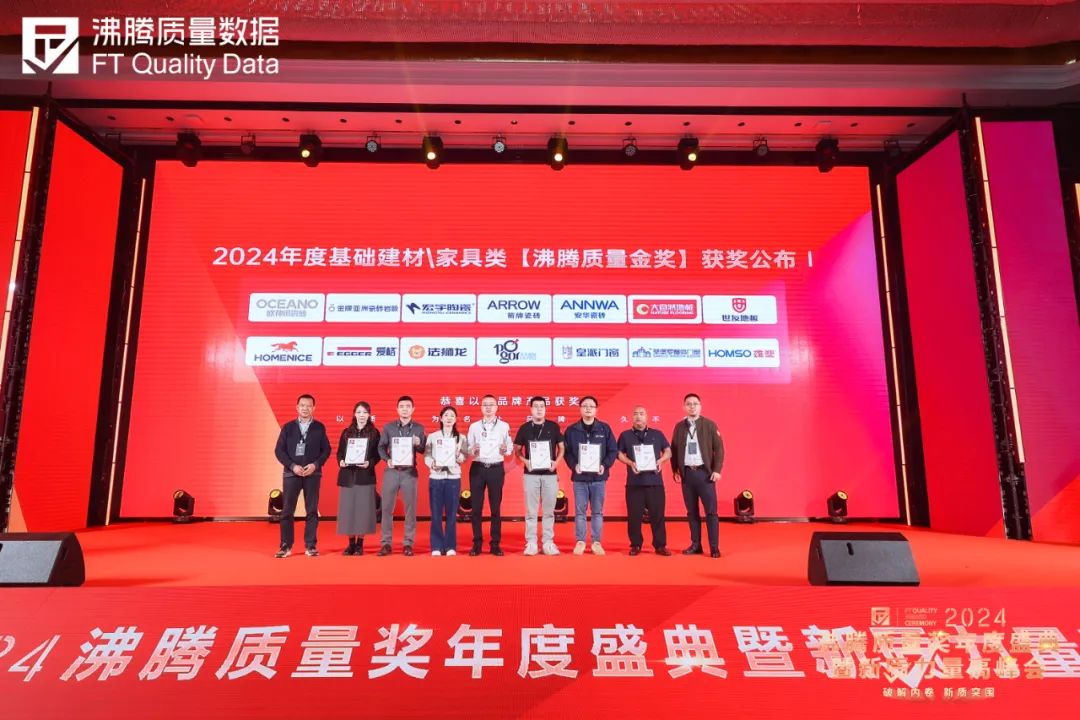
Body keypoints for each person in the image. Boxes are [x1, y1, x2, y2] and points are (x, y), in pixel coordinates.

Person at [273, 393, 331, 558]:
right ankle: (285, 546)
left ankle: (310, 546)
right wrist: (292, 466)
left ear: (314, 408)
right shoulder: (288, 427)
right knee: (287, 511)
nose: (305, 408)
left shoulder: (319, 427)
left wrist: (315, 465)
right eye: (302, 405)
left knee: (312, 510)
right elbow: (279, 451)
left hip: (313, 474)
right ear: (297, 407)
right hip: (292, 474)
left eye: (309, 406)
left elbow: (326, 450)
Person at [670, 393, 725, 558]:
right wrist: (675, 470)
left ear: (700, 406)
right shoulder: (679, 427)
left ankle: (714, 547)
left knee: (711, 512)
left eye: (695, 403)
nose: (692, 406)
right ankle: (696, 545)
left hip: (705, 474)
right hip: (687, 475)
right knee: (692, 512)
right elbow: (674, 450)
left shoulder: (709, 425)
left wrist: (717, 470)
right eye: (689, 404)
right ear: (684, 407)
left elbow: (719, 449)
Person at [563, 396, 618, 555]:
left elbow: (612, 450)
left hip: (598, 479)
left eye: (591, 406)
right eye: (585, 406)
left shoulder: (604, 428)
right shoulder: (571, 430)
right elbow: (566, 452)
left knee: (597, 512)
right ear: (580, 409)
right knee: (580, 512)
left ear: (596, 409)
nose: (588, 408)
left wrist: (604, 465)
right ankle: (580, 541)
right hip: (580, 479)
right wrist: (574, 465)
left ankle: (596, 542)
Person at [617, 406, 673, 556]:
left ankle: (660, 545)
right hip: (634, 483)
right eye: (635, 414)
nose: (638, 416)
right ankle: (635, 544)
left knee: (658, 515)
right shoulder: (625, 435)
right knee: (634, 516)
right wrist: (630, 463)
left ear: (647, 417)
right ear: (632, 417)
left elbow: (668, 451)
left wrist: (661, 460)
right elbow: (618, 453)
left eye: (641, 414)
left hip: (655, 482)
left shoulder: (657, 434)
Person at [514, 396, 565, 556]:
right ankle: (531, 542)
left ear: (545, 408)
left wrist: (556, 463)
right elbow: (517, 450)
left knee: (549, 511)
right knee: (531, 511)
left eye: (542, 406)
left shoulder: (553, 426)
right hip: (531, 475)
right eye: (535, 406)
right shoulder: (524, 428)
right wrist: (525, 461)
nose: (539, 409)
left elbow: (561, 447)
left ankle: (548, 542)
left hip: (550, 475)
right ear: (530, 409)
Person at [377, 395, 426, 556]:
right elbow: (381, 447)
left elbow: (423, 450)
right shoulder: (389, 427)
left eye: (408, 406)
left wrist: (419, 443)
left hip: (409, 473)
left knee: (410, 509)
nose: (405, 409)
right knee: (386, 508)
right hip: (392, 471)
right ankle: (386, 543)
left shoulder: (419, 428)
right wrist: (387, 459)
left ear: (413, 409)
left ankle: (408, 543)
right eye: (402, 406)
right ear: (397, 409)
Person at [465, 394, 513, 556]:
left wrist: (506, 450)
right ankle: (477, 543)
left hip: (495, 469)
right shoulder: (474, 427)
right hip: (478, 468)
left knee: (495, 508)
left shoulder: (504, 426)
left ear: (497, 407)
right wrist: (472, 450)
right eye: (485, 404)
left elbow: (509, 447)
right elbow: (467, 448)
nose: (488, 407)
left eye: (491, 404)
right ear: (481, 407)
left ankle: (495, 544)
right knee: (476, 508)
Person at [336, 401, 381, 556]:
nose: (362, 415)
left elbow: (378, 455)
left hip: (365, 476)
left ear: (369, 415)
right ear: (354, 414)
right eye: (359, 412)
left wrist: (369, 463)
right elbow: (339, 453)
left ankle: (360, 544)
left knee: (363, 511)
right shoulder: (346, 432)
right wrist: (341, 461)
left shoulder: (374, 433)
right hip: (348, 476)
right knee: (348, 510)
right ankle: (350, 544)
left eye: (365, 412)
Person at [424, 406, 468, 556]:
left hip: (453, 478)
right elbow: (427, 456)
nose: (449, 418)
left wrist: (457, 455)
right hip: (436, 478)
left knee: (451, 514)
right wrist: (432, 464)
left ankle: (450, 546)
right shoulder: (433, 437)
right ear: (441, 418)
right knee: (436, 513)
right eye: (446, 415)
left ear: (455, 419)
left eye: (452, 416)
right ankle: (436, 546)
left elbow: (464, 458)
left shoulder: (461, 438)